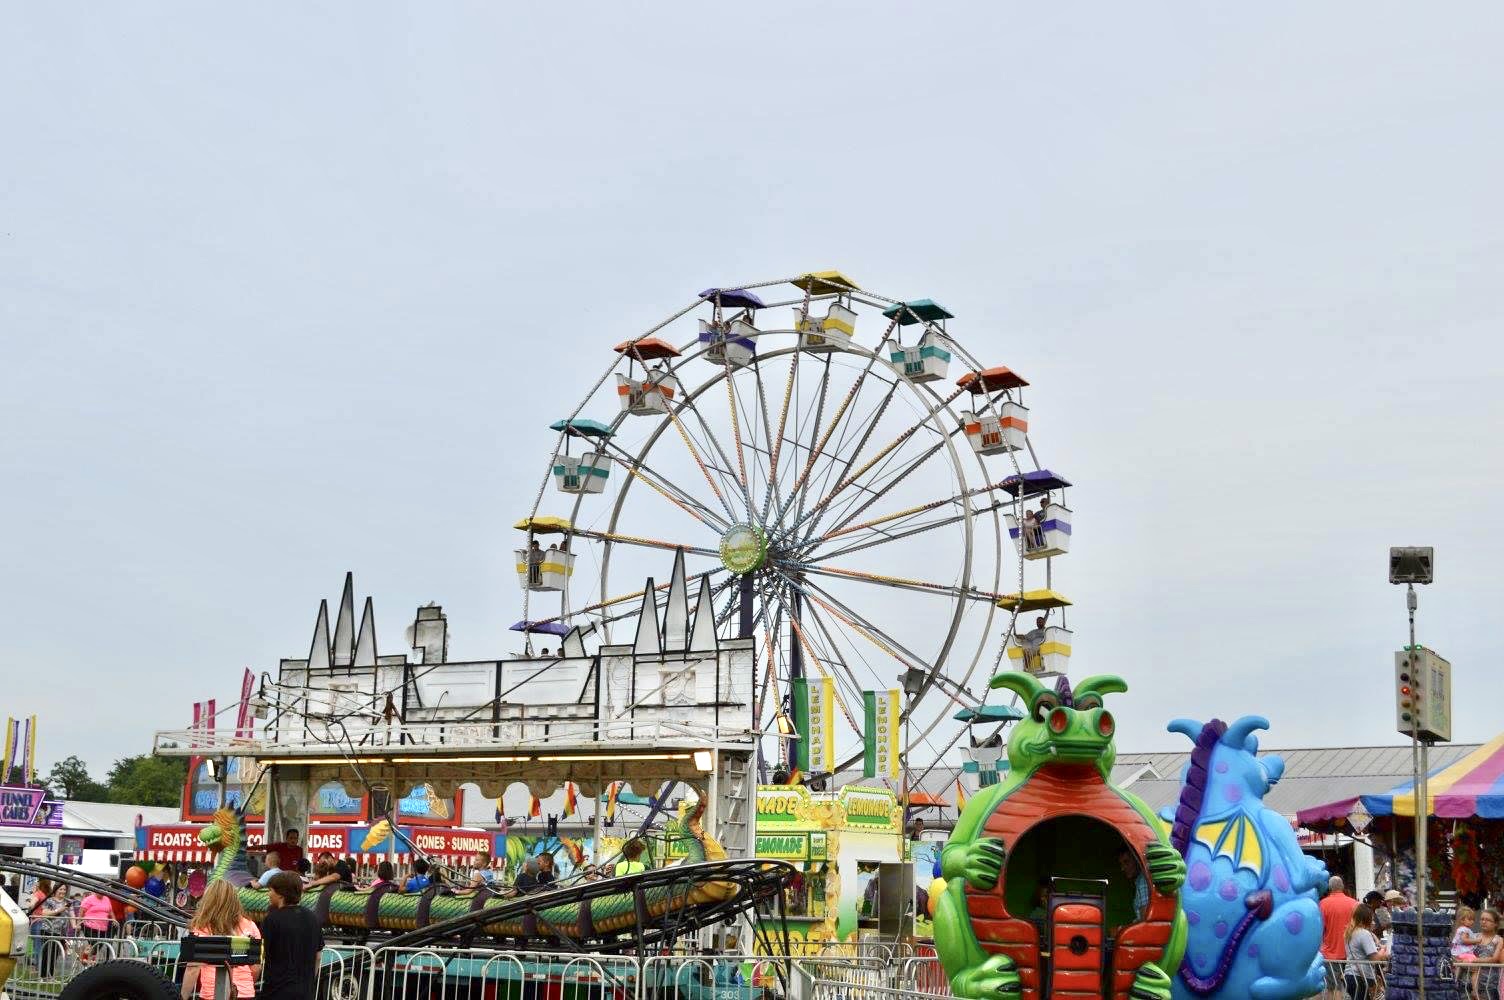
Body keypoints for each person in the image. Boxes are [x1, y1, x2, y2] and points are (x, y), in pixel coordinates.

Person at [185, 880, 262, 1000]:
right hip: (244, 993)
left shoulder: (202, 926)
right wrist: (243, 984)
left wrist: (183, 996)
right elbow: (256, 967)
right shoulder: (250, 925)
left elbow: (192, 968)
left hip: (212, 992)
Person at [260, 872, 324, 1000]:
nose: (268, 894)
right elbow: (318, 956)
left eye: (270, 890)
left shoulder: (272, 919)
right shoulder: (313, 918)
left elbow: (262, 955)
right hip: (305, 991)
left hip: (277, 990)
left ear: (280, 894)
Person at [1319, 875, 1360, 1000]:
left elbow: (1320, 930)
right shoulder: (1355, 904)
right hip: (1352, 954)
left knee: (1334, 987)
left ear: (1329, 888)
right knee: (1354, 987)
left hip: (1331, 954)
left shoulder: (1323, 904)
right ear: (1342, 887)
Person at [1343, 903, 1388, 1000]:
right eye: (1371, 918)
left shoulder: (1350, 932)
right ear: (1366, 918)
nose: (1373, 921)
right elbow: (1374, 958)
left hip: (1350, 975)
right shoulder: (1364, 933)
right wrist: (1384, 949)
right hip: (1361, 977)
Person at [1470, 908, 1503, 999]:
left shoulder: (1499, 940)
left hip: (1489, 984)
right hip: (1469, 983)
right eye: (1482, 919)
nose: (1484, 922)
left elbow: (1494, 959)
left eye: (1488, 920)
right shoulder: (1473, 937)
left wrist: (1474, 961)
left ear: (1495, 923)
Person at [1117, 847, 1148, 925]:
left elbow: (1145, 920)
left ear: (1137, 859)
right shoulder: (1140, 880)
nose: (1123, 868)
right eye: (1121, 864)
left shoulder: (1142, 881)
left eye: (1126, 862)